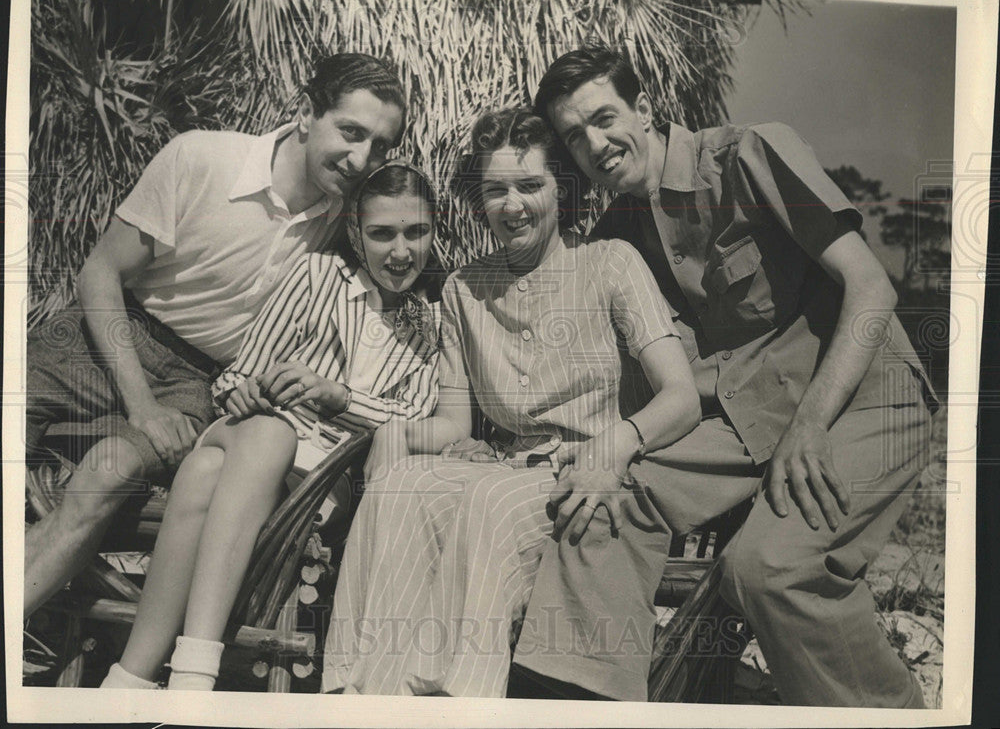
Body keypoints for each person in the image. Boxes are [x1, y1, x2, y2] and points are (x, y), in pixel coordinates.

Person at [516, 45, 939, 705]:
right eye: (575, 136)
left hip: (860, 397)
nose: (595, 143)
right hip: (745, 419)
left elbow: (870, 287)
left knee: (770, 570)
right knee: (597, 511)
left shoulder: (749, 155)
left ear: (646, 109)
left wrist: (810, 425)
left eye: (604, 118)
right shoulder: (616, 241)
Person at [321, 107, 700, 697]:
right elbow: (452, 422)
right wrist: (389, 431)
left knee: (490, 500)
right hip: (509, 469)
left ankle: (457, 699)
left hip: (591, 475)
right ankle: (362, 694)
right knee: (403, 488)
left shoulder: (610, 264)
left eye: (530, 186)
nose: (512, 204)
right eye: (495, 190)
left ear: (562, 189)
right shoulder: (464, 290)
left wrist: (617, 445)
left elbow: (681, 398)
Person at [24, 53, 407, 618]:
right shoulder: (201, 158)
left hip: (194, 381)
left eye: (380, 146)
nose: (362, 159)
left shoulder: (344, 220)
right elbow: (99, 272)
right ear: (305, 113)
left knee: (109, 474)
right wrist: (141, 405)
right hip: (103, 335)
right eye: (350, 132)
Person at [100, 161, 441, 690]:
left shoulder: (431, 326)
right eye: (382, 233)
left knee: (204, 470)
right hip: (254, 436)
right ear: (355, 232)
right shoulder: (316, 277)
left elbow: (416, 417)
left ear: (434, 231)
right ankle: (195, 672)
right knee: (268, 431)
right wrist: (249, 391)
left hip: (323, 480)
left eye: (416, 232)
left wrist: (338, 397)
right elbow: (234, 376)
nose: (401, 251)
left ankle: (131, 677)